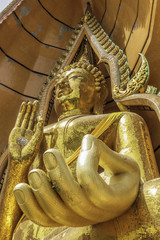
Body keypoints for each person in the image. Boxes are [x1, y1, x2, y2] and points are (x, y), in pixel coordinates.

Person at [0, 52, 159, 240]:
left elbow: (141, 185)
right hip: (37, 229)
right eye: (59, 83)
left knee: (155, 196)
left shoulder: (121, 120)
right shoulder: (36, 138)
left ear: (96, 92)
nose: (62, 85)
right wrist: (17, 165)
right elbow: (4, 232)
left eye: (75, 78)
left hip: (103, 215)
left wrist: (103, 193)